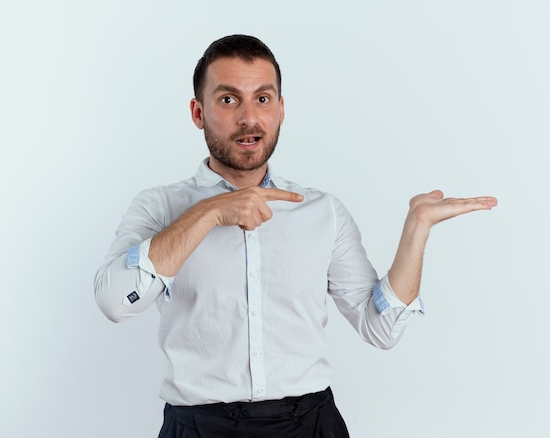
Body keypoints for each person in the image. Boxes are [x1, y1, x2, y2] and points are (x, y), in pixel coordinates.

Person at [94, 34, 497, 438]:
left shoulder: (322, 212)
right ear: (198, 112)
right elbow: (115, 302)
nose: (249, 118)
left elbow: (382, 329)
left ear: (281, 110)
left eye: (263, 99)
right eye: (229, 99)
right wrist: (208, 212)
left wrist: (417, 229)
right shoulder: (159, 207)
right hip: (199, 427)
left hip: (311, 424)